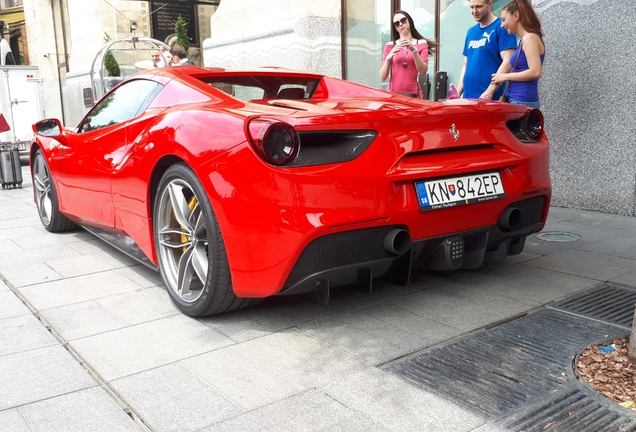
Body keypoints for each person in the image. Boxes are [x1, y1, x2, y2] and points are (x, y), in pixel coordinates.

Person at [457, 0, 517, 100]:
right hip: (468, 98)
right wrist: (458, 91)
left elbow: (508, 61)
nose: (474, 11)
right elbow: (465, 65)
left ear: (489, 4)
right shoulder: (470, 31)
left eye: (478, 7)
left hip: (490, 98)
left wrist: (490, 91)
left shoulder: (502, 27)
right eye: (472, 7)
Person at [490, 0, 545, 109]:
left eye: (504, 20)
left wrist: (504, 76)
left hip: (522, 101)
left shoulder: (529, 38)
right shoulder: (523, 40)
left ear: (516, 16)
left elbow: (535, 72)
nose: (502, 25)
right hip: (518, 100)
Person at [379, 10, 437, 98]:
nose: (401, 24)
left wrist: (414, 51)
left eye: (403, 20)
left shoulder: (421, 43)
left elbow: (423, 71)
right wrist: (388, 59)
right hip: (393, 95)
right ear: (395, 28)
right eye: (397, 23)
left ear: (409, 21)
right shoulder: (390, 46)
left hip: (413, 94)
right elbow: (383, 77)